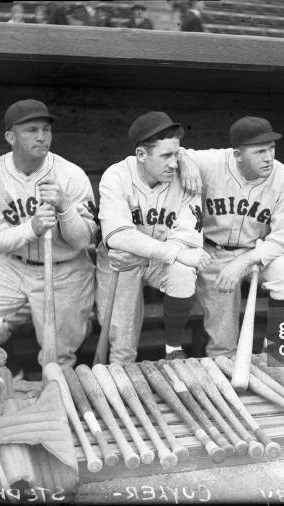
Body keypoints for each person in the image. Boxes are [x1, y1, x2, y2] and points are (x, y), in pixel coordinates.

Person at [0, 99, 98, 367]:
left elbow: (82, 240)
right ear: (10, 137)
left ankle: (53, 400)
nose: (42, 137)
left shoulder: (71, 175)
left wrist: (65, 206)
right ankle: (5, 369)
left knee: (58, 357)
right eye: (31, 130)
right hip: (14, 267)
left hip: (65, 269)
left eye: (46, 129)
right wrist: (32, 228)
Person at [178, 116, 284, 357]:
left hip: (259, 250)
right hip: (213, 252)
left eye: (271, 148)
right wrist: (185, 161)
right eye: (259, 151)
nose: (269, 157)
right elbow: (176, 152)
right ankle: (225, 368)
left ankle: (275, 348)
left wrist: (245, 261)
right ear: (237, 155)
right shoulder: (211, 162)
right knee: (223, 344)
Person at [96, 111, 210, 364]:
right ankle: (120, 381)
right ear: (141, 155)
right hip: (120, 261)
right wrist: (177, 253)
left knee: (182, 272)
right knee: (122, 345)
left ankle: (173, 349)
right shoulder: (116, 176)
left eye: (177, 154)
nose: (173, 163)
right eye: (166, 156)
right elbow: (117, 236)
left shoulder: (186, 177)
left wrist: (174, 253)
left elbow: (186, 237)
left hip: (157, 257)